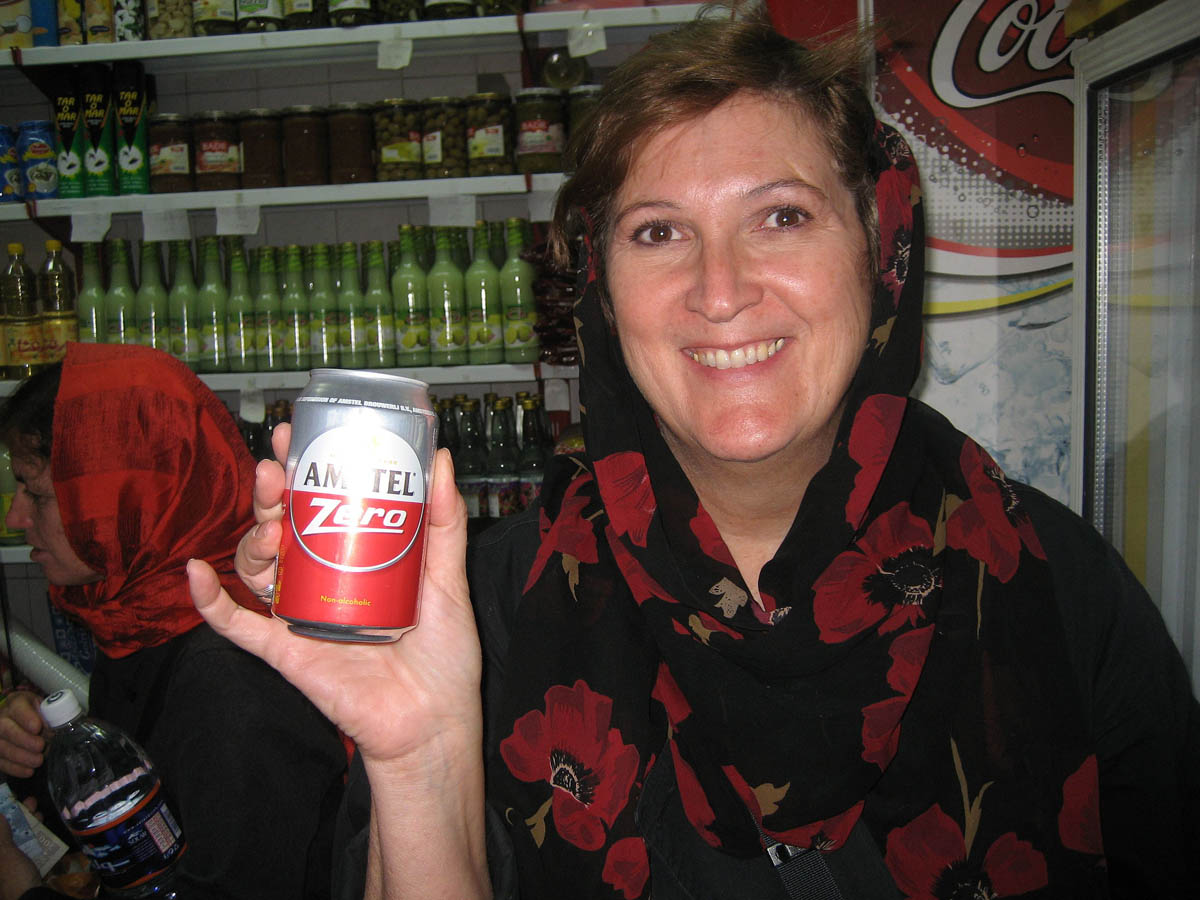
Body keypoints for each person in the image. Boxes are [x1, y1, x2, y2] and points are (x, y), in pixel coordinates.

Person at [187, 6, 1200, 899]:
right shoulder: (485, 611)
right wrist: (423, 757)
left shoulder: (1052, 583)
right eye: (659, 233)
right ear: (599, 288)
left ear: (878, 249)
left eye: (782, 216)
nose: (721, 291)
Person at [0, 342, 348, 900]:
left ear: (127, 500)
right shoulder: (141, 616)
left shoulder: (231, 678)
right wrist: (42, 752)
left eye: (36, 494)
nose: (16, 516)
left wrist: (23, 891)